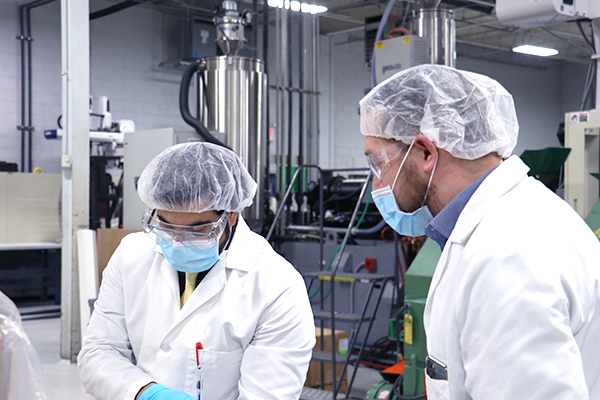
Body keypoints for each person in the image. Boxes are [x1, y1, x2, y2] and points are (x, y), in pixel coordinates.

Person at [360, 64, 600, 399]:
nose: (376, 182)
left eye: (377, 162)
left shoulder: (506, 255)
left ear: (426, 152)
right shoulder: (512, 220)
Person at [78, 142, 315, 400]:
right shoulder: (131, 255)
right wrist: (145, 393)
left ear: (232, 215)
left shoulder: (276, 285)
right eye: (166, 226)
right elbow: (99, 352)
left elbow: (268, 394)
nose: (177, 241)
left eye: (196, 231)